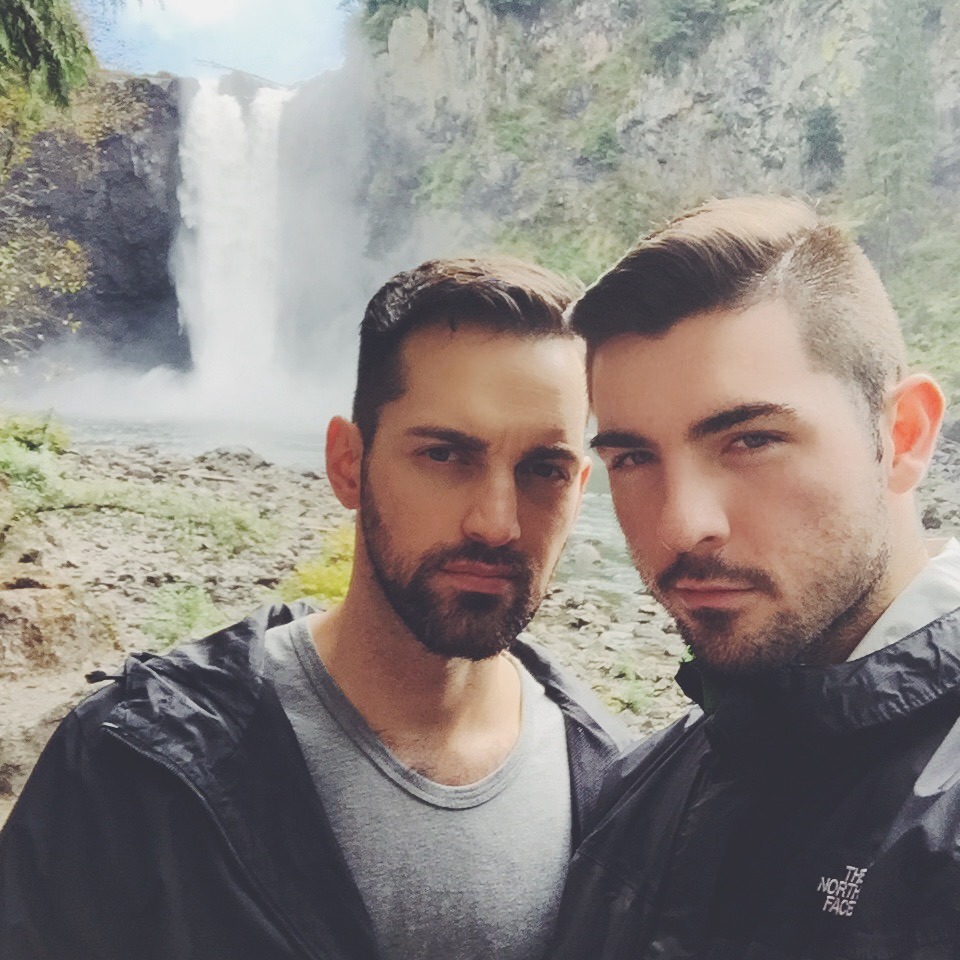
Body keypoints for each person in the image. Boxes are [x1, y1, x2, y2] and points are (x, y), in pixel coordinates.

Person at [0, 256, 632, 960]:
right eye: (447, 455)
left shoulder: (623, 797)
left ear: (579, 487)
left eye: (542, 469)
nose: (496, 522)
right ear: (347, 464)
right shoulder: (130, 766)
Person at [548, 196, 959, 960]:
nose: (680, 524)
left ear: (902, 436)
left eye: (751, 439)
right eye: (632, 458)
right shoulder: (653, 781)